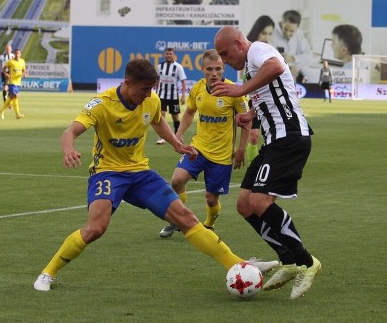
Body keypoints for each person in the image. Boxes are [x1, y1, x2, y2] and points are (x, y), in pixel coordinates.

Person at [33, 58, 278, 293]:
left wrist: (177, 144)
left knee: (186, 218)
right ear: (127, 83)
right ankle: (48, 272)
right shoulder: (102, 104)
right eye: (144, 89)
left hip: (140, 173)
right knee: (96, 228)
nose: (148, 94)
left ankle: (239, 264)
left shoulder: (150, 99)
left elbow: (158, 120)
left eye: (152, 88)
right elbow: (70, 131)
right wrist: (69, 149)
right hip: (107, 173)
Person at [212, 26, 321, 300]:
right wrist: (251, 114)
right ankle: (287, 260)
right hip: (273, 141)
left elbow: (276, 66)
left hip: (290, 137)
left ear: (239, 43)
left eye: (225, 54)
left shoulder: (258, 50)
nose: (224, 60)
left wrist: (239, 91)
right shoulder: (250, 67)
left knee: (260, 202)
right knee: (244, 204)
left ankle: (307, 262)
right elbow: (271, 96)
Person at [159, 49, 250, 239]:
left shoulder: (234, 92)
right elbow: (190, 111)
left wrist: (241, 149)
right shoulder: (197, 88)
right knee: (176, 180)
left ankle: (209, 224)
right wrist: (179, 133)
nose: (214, 73)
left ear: (224, 68)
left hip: (222, 154)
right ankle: (177, 220)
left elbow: (246, 121)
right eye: (209, 69)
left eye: (218, 68)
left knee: (211, 198)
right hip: (198, 147)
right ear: (202, 69)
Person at [244, 15, 277, 161]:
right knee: (254, 136)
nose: (266, 37)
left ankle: (266, 163)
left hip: (269, 103)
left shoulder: (269, 54)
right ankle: (254, 164)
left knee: (269, 136)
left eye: (270, 34)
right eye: (264, 32)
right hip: (254, 102)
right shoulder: (249, 56)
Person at [270, 10, 314, 83]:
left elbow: (309, 55)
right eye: (285, 29)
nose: (287, 33)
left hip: (297, 75)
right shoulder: (272, 33)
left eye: (291, 31)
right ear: (282, 22)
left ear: (297, 28)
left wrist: (293, 58)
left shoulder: (299, 34)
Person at [154, 47, 187, 145]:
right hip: (162, 95)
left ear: (173, 55)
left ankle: (178, 135)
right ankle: (162, 137)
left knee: (175, 117)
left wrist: (183, 96)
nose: (168, 55)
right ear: (165, 55)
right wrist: (156, 92)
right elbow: (157, 80)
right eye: (167, 54)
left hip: (173, 96)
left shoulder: (178, 67)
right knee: (162, 115)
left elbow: (183, 82)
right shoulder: (160, 66)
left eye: (170, 54)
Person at [0, 48, 26, 120]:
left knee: (10, 98)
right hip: (11, 82)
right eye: (16, 53)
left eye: (18, 53)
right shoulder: (11, 61)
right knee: (15, 96)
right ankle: (17, 114)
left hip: (18, 82)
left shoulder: (22, 61)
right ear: (14, 54)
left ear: (20, 54)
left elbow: (24, 69)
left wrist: (24, 73)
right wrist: (6, 74)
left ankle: (1, 110)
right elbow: (4, 68)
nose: (17, 55)